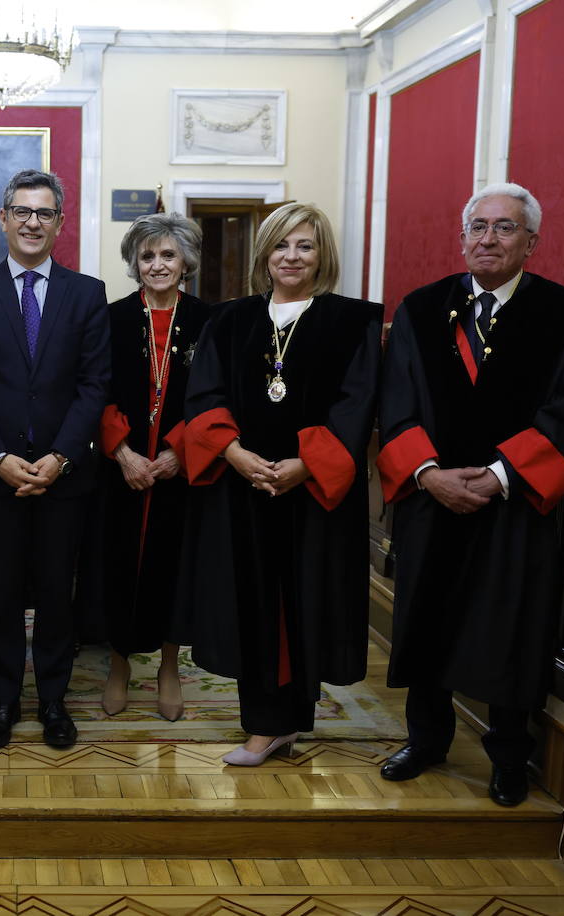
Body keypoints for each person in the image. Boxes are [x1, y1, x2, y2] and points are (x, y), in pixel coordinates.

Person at [376, 182, 564, 806]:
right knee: (426, 616)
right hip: (432, 496)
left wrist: (501, 475)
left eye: (504, 228)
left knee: (511, 624)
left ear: (531, 240)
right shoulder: (421, 309)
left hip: (515, 502)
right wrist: (428, 474)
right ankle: (426, 740)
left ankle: (507, 755)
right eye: (478, 226)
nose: (488, 239)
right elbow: (395, 404)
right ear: (462, 235)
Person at [178, 202, 381, 767]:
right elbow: (205, 397)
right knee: (253, 605)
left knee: (305, 603)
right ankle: (266, 723)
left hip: (314, 495)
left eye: (305, 245)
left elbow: (357, 405)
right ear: (264, 254)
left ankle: (287, 722)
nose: (292, 256)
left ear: (323, 256)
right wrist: (237, 455)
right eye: (281, 245)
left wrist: (304, 464)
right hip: (242, 491)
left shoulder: (351, 321)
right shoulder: (230, 319)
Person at [0, 169, 110, 750]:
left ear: (60, 223)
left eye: (44, 213)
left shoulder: (87, 294)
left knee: (56, 593)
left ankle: (56, 703)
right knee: (6, 594)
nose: (33, 222)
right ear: (4, 219)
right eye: (22, 211)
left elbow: (95, 385)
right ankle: (6, 701)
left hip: (64, 478)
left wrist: (62, 456)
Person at [82, 213, 211, 721]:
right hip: (120, 470)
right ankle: (118, 663)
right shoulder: (110, 318)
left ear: (185, 263)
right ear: (135, 263)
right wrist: (123, 452)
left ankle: (168, 666)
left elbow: (214, 397)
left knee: (173, 565)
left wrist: (180, 450)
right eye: (148, 255)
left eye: (168, 255)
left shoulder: (208, 321)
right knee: (116, 565)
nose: (157, 264)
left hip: (181, 472)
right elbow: (95, 389)